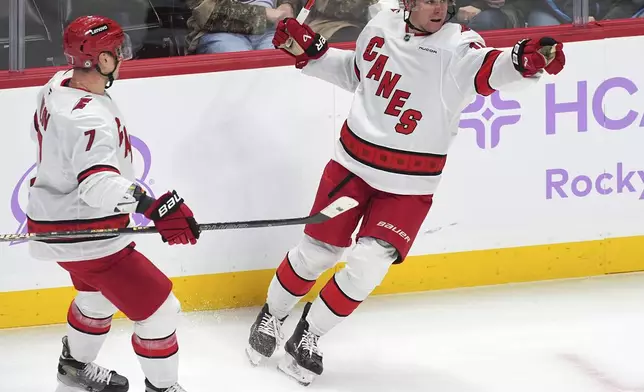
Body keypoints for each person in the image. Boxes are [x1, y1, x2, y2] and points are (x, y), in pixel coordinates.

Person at [245, 0, 566, 386]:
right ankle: (274, 313)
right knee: (317, 252)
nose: (439, 7)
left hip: (409, 188)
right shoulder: (381, 23)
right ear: (409, 2)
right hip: (351, 169)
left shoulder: (459, 46)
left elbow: (490, 68)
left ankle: (308, 336)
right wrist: (312, 53)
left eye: (444, 1)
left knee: (368, 267)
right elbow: (356, 74)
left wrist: (525, 60)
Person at [27, 15, 201, 392]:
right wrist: (154, 207)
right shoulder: (89, 119)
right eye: (116, 50)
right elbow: (97, 184)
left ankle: (73, 366)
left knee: (96, 297)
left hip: (57, 220)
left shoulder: (58, 85)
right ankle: (163, 388)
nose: (123, 55)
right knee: (161, 312)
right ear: (101, 61)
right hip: (86, 233)